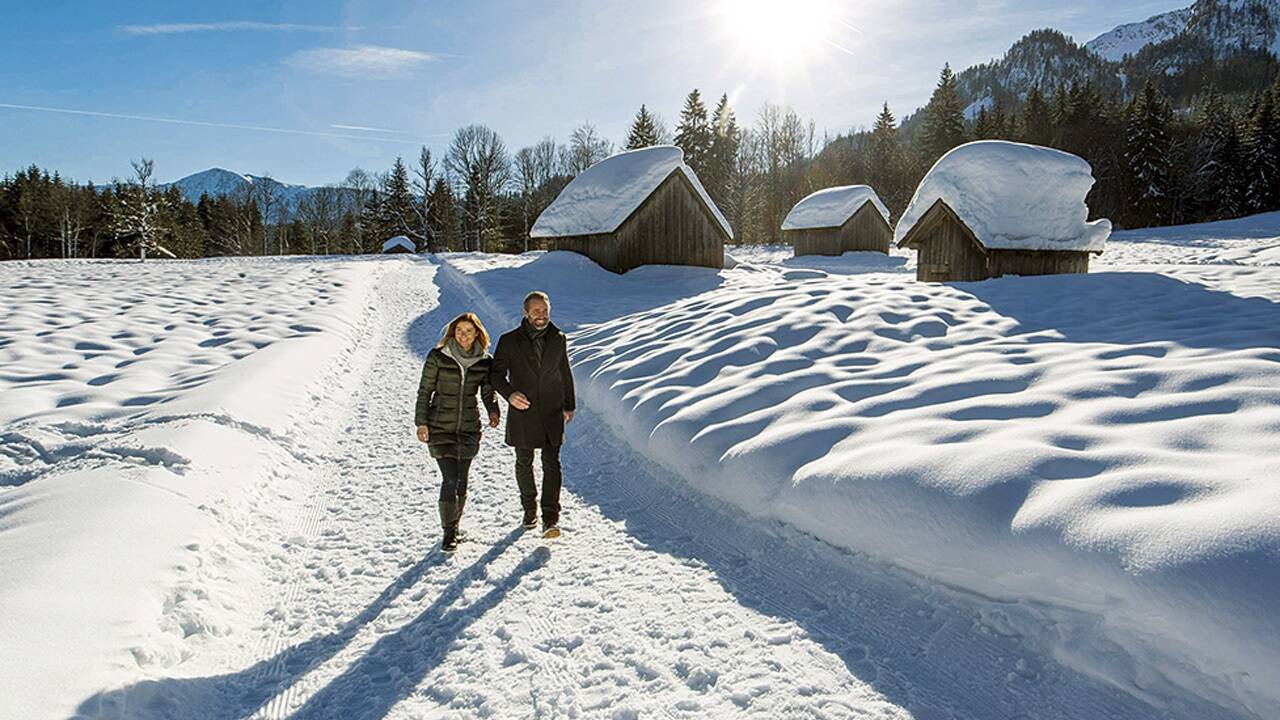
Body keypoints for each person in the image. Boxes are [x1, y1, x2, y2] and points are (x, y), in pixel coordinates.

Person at [489, 291, 575, 538]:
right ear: (525, 312)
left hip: (551, 410)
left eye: (545, 310)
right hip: (523, 410)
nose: (542, 315)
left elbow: (564, 371)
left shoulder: (558, 338)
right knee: (524, 462)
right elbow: (496, 375)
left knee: (552, 463)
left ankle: (550, 518)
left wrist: (569, 404)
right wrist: (510, 394)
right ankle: (529, 509)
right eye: (536, 311)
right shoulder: (509, 341)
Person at [414, 312, 501, 553]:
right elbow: (425, 391)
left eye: (469, 331)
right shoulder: (438, 357)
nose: (463, 335)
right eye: (460, 331)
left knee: (462, 480)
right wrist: (421, 423)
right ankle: (448, 533)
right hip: (440, 425)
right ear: (453, 332)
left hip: (469, 427)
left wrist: (493, 410)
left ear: (477, 335)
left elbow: (487, 391)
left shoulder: (484, 360)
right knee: (450, 479)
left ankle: (455, 524)